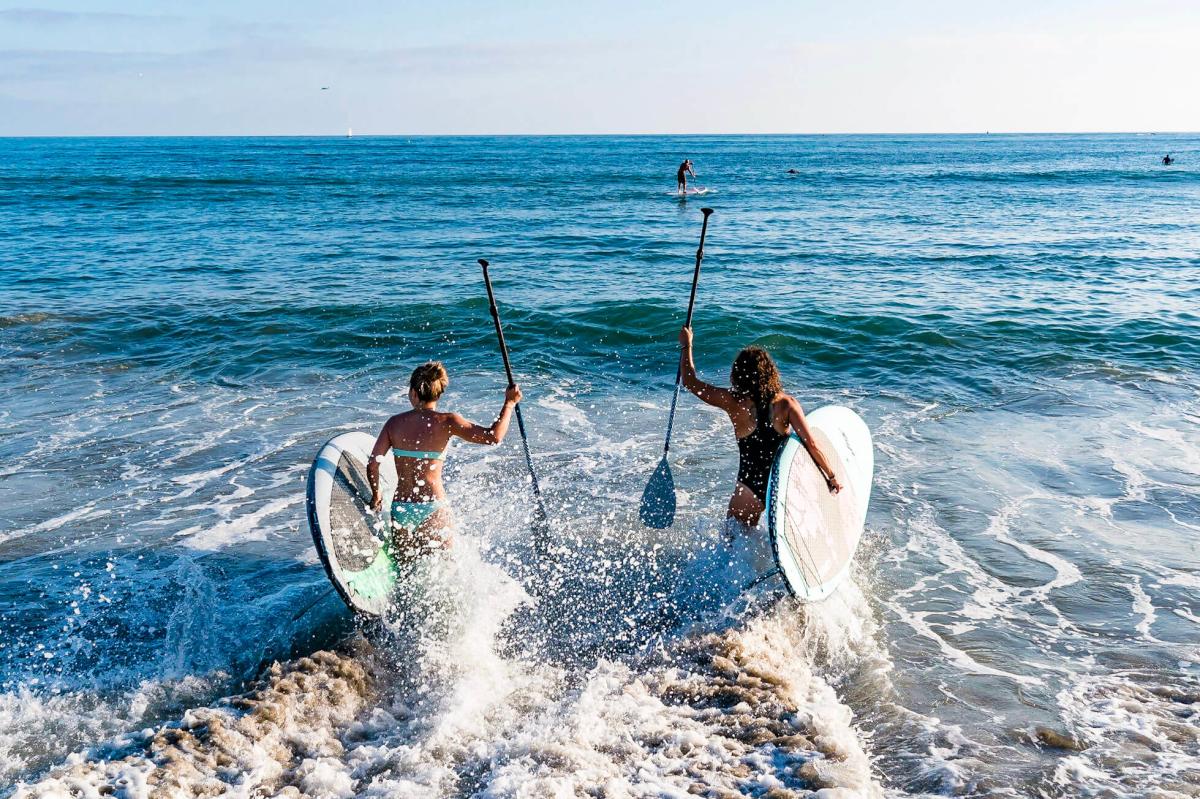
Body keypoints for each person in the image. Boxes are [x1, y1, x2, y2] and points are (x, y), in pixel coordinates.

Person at [678, 326, 841, 528]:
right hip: (783, 485)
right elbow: (812, 445)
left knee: (732, 543)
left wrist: (687, 345)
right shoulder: (786, 404)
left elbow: (691, 382)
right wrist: (831, 476)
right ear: (770, 373)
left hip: (749, 486)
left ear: (738, 374)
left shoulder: (732, 402)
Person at [368, 361, 521, 555]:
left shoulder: (394, 423)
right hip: (433, 506)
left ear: (413, 393)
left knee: (404, 575)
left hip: (402, 507)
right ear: (439, 394)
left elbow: (373, 465)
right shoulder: (448, 421)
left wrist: (376, 496)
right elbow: (493, 437)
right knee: (444, 570)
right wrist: (509, 403)